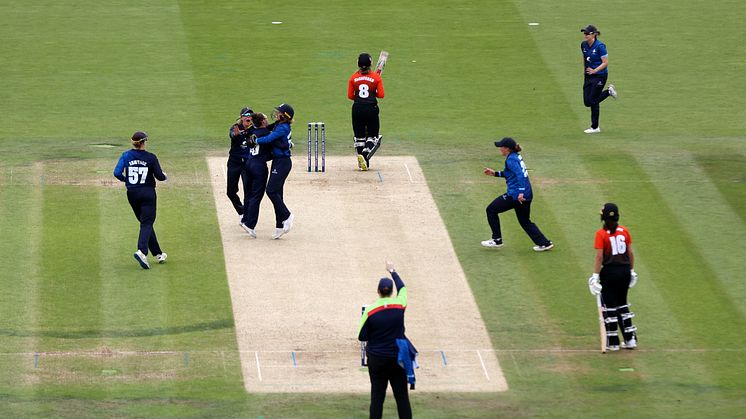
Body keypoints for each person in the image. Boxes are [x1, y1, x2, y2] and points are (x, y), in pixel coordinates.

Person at [358, 260, 413, 419]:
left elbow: (362, 336)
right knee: (402, 397)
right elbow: (403, 288)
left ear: (378, 291)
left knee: (377, 399)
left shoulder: (370, 311)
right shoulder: (400, 304)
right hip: (397, 358)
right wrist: (392, 270)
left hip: (377, 359)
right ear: (391, 292)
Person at [482, 137, 554, 251]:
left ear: (507, 149)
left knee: (491, 209)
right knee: (525, 221)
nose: (500, 149)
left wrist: (520, 192)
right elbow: (510, 174)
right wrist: (495, 173)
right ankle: (545, 243)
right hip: (526, 195)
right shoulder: (515, 157)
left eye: (501, 147)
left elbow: (520, 175)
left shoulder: (511, 160)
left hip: (516, 196)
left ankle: (497, 240)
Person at [113, 131, 168, 269]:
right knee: (147, 222)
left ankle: (158, 253)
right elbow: (160, 176)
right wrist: (165, 176)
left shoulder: (126, 155)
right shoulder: (151, 157)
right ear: (144, 142)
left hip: (132, 193)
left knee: (145, 223)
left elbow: (116, 173)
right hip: (148, 193)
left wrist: (126, 180)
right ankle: (142, 251)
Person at [587, 203, 638, 351]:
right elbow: (630, 253)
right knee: (622, 303)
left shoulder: (601, 234)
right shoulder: (624, 231)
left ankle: (613, 341)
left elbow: (599, 257)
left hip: (610, 273)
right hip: (624, 272)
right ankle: (630, 339)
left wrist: (595, 276)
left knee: (609, 306)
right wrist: (632, 271)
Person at [254, 103, 295, 239]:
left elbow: (269, 138)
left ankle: (287, 215)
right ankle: (279, 226)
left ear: (284, 116)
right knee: (278, 193)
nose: (276, 113)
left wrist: (255, 141)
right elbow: (269, 128)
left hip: (283, 163)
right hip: (278, 161)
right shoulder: (279, 124)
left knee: (271, 191)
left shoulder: (282, 128)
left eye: (278, 112)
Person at [348, 52, 385, 171]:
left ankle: (363, 164)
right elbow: (381, 95)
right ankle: (364, 156)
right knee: (373, 137)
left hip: (357, 108)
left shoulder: (353, 78)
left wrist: (360, 99)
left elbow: (350, 96)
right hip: (371, 109)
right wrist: (371, 93)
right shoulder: (376, 78)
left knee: (359, 138)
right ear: (371, 64)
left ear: (358, 64)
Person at [239, 112, 274, 238]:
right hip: (259, 166)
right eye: (265, 118)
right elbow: (271, 151)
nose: (267, 120)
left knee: (248, 194)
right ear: (263, 122)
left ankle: (245, 219)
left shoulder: (254, 132)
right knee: (256, 196)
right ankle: (250, 224)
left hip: (249, 163)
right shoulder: (266, 133)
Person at [580, 24, 617, 134]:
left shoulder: (600, 46)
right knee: (588, 102)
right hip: (588, 76)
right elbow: (584, 58)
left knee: (593, 99)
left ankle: (608, 92)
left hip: (600, 75)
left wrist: (594, 71)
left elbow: (605, 63)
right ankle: (595, 127)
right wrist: (585, 71)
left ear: (594, 35)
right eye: (584, 33)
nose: (585, 35)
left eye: (587, 33)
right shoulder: (583, 45)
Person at [227, 107, 255, 220]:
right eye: (246, 116)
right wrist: (236, 134)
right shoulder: (235, 127)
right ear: (241, 118)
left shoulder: (254, 129)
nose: (248, 118)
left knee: (248, 192)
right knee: (230, 192)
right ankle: (241, 211)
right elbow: (232, 134)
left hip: (247, 164)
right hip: (234, 162)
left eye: (250, 116)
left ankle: (247, 217)